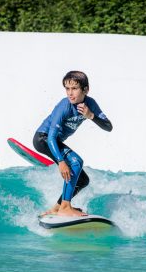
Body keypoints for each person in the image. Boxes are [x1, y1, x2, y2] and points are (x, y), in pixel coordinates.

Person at [33, 70, 113, 217]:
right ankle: (65, 207)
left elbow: (108, 127)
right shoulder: (64, 105)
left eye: (74, 88)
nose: (70, 93)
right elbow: (51, 137)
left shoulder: (90, 104)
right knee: (76, 162)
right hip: (43, 139)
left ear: (85, 90)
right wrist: (61, 161)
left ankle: (57, 208)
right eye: (67, 89)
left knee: (82, 180)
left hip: (54, 141)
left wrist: (91, 116)